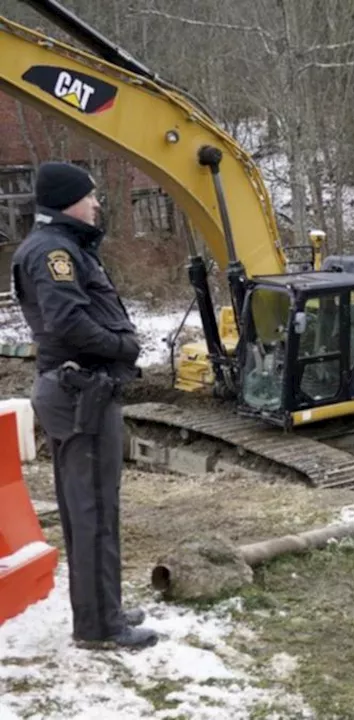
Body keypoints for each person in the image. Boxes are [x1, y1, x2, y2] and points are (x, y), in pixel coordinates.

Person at [11, 161, 157, 650]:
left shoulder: (63, 246)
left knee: (89, 511)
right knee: (93, 512)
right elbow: (67, 323)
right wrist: (123, 346)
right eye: (90, 196)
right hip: (81, 393)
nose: (97, 204)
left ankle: (103, 610)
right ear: (69, 200)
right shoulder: (55, 250)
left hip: (76, 391)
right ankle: (100, 628)